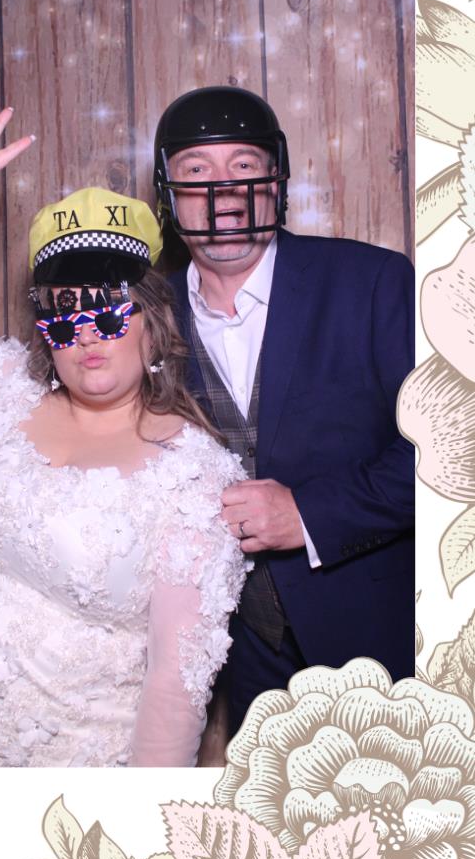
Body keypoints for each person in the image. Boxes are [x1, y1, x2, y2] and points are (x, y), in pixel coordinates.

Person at [0, 109, 248, 767]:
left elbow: (175, 685)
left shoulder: (194, 475)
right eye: (65, 313)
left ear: (152, 321)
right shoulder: (2, 390)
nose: (88, 333)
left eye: (109, 309)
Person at [154, 86, 414, 732]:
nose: (224, 190)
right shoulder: (145, 314)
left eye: (243, 165)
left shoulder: (373, 283)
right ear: (168, 193)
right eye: (197, 170)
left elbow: (452, 451)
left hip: (376, 636)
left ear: (275, 179)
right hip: (233, 654)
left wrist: (310, 514)